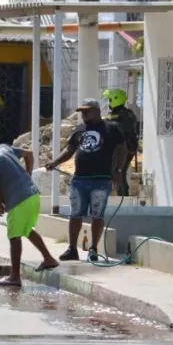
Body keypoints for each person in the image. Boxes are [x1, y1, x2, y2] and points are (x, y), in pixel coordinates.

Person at [0, 138, 60, 287]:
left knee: (14, 236)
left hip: (19, 200)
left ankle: (14, 277)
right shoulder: (3, 147)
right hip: (33, 195)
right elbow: (29, 154)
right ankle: (48, 259)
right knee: (26, 229)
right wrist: (28, 175)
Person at [45, 98, 127, 262]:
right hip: (79, 180)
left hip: (101, 180)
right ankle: (72, 249)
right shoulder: (79, 129)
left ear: (97, 111)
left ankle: (93, 249)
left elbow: (122, 149)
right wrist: (55, 162)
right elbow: (70, 150)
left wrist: (118, 170)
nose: (84, 114)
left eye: (87, 111)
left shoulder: (111, 128)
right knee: (75, 214)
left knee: (97, 216)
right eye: (82, 112)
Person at [104, 88, 139, 196]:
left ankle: (122, 196)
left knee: (118, 172)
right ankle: (122, 194)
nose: (108, 102)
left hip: (121, 148)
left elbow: (109, 128)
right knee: (120, 172)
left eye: (110, 100)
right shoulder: (128, 113)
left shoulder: (116, 115)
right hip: (129, 146)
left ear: (116, 100)